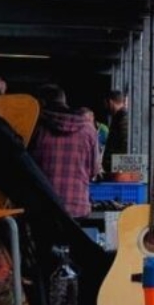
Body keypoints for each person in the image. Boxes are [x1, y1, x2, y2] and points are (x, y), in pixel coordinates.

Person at [29, 85, 100, 218]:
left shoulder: (36, 128)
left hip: (44, 208)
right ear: (64, 101)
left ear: (42, 103)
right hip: (77, 207)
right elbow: (94, 171)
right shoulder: (89, 130)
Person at [103, 90, 130, 173]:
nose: (105, 106)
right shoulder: (118, 118)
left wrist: (116, 166)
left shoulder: (123, 119)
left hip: (118, 172)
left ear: (110, 102)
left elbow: (125, 144)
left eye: (105, 104)